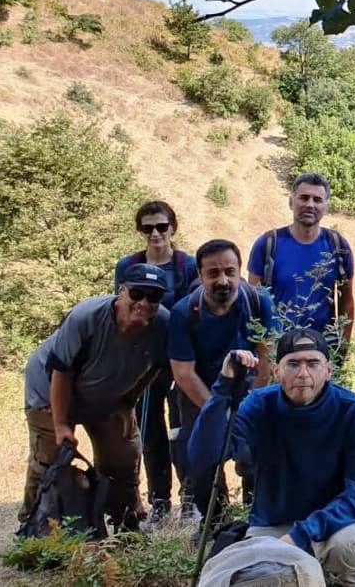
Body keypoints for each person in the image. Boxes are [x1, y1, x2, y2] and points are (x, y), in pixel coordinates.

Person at [188, 331, 355, 586]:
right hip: (272, 522)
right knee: (261, 575)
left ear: (328, 370)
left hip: (336, 520)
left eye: (312, 364)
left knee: (347, 547)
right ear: (276, 371)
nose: (303, 373)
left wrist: (302, 534)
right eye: (293, 364)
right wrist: (224, 386)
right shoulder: (258, 405)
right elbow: (204, 454)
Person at [21, 264, 173, 533]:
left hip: (107, 396)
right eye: (137, 294)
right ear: (121, 291)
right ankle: (34, 527)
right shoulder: (87, 317)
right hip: (50, 389)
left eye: (154, 297)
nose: (144, 303)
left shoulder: (163, 324)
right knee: (51, 459)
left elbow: (155, 368)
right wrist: (61, 425)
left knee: (124, 453)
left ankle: (126, 523)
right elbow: (61, 371)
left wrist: (128, 403)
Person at [168, 239, 278, 513]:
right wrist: (217, 411)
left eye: (230, 271)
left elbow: (269, 355)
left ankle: (256, 519)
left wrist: (251, 403)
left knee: (258, 455)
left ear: (239, 271)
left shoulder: (258, 302)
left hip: (251, 389)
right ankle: (214, 524)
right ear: (200, 275)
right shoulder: (184, 312)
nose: (223, 280)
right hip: (201, 392)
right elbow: (183, 373)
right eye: (213, 273)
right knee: (202, 463)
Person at [113, 200, 198, 526]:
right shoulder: (127, 266)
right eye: (148, 228)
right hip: (143, 362)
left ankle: (189, 500)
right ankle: (159, 502)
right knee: (149, 432)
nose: (155, 233)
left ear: (173, 227)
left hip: (178, 362)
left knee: (182, 433)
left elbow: (193, 313)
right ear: (140, 231)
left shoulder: (187, 265)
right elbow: (120, 308)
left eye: (161, 226)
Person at [247, 173, 355, 363]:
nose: (310, 205)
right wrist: (265, 353)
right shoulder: (268, 244)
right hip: (278, 350)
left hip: (321, 350)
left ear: (326, 206)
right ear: (291, 202)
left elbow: (346, 301)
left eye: (317, 199)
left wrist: (341, 350)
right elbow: (253, 302)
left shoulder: (338, 246)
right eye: (304, 198)